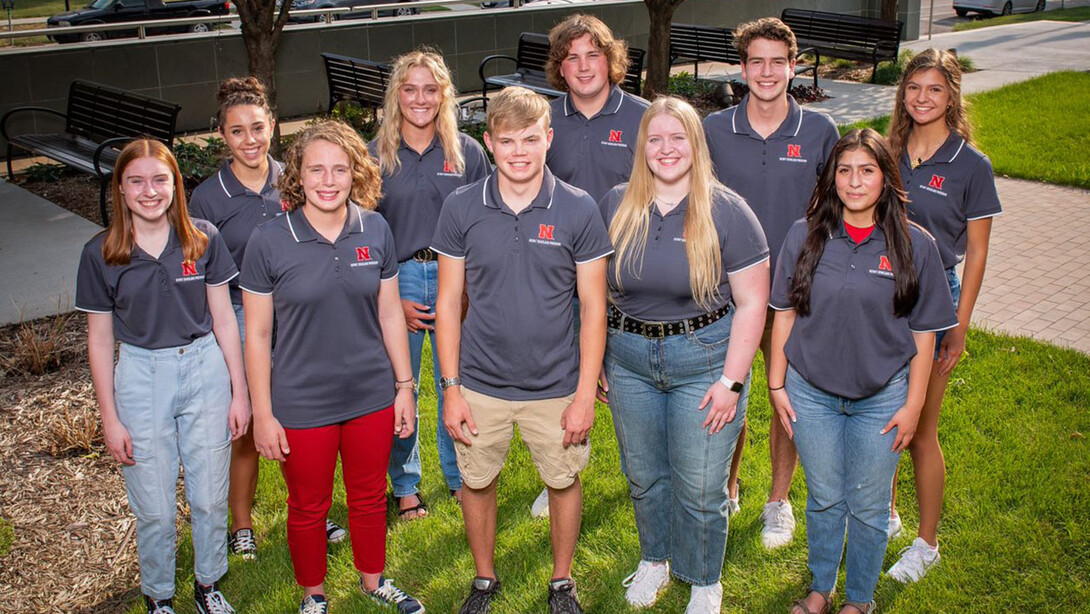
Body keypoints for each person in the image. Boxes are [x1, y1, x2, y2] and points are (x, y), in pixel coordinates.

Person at [432, 87, 612, 614]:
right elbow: (447, 303)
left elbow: (594, 307)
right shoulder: (461, 206)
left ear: (548, 140)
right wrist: (450, 388)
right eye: (506, 140)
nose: (518, 151)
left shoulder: (578, 209)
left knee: (562, 480)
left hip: (555, 384)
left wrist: (583, 394)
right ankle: (484, 579)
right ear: (487, 143)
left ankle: (562, 581)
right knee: (477, 480)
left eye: (530, 139)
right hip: (480, 382)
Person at [767, 129, 957, 614]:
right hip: (811, 392)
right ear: (831, 178)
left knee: (870, 505)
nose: (855, 182)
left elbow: (922, 335)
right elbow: (784, 312)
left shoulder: (916, 244)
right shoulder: (803, 234)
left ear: (886, 179)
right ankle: (820, 590)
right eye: (844, 170)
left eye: (867, 170)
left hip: (883, 396)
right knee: (825, 497)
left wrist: (913, 406)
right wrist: (777, 383)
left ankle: (859, 600)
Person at [240, 120, 424, 614]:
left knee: (367, 497)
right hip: (301, 400)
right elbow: (256, 335)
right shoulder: (268, 241)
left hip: (370, 392)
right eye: (316, 169)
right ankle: (313, 595)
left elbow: (390, 313)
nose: (327, 180)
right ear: (297, 173)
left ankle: (373, 582)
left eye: (339, 169)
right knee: (308, 505)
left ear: (356, 172)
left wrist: (404, 387)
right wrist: (263, 413)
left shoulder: (376, 228)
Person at [599, 97, 769, 614]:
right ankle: (655, 558)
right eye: (656, 138)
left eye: (678, 138)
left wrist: (732, 382)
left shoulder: (727, 210)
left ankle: (702, 577)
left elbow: (752, 301)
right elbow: (594, 292)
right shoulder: (614, 204)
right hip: (628, 360)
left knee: (699, 485)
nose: (667, 148)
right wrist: (598, 364)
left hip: (704, 362)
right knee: (644, 474)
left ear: (695, 145)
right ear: (641, 146)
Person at [77, 139, 249, 614]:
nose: (149, 191)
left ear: (176, 184)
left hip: (204, 367)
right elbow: (98, 341)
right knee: (153, 505)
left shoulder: (203, 237)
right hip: (141, 374)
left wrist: (239, 393)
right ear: (121, 189)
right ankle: (159, 595)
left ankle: (208, 584)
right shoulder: (102, 252)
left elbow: (223, 317)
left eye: (160, 179)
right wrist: (109, 418)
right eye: (136, 181)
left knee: (210, 494)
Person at [188, 77, 346, 559]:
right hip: (241, 315)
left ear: (273, 126)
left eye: (258, 128)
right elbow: (201, 272)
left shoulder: (296, 180)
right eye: (237, 132)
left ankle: (312, 512)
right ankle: (241, 523)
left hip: (297, 313)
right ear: (222, 135)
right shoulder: (208, 199)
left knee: (299, 418)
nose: (250, 140)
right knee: (249, 421)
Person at [702, 16, 840, 547]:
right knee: (727, 391)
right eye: (755, 61)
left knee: (788, 397)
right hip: (726, 291)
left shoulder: (820, 131)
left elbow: (833, 206)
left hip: (794, 291)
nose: (766, 71)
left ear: (793, 65)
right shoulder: (713, 130)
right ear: (741, 68)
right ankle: (727, 486)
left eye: (777, 61)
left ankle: (778, 501)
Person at [525, 12, 651, 519]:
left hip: (632, 270)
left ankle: (640, 473)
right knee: (565, 372)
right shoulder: (544, 121)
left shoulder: (642, 117)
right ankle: (561, 472)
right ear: (559, 67)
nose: (582, 66)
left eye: (593, 54)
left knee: (627, 378)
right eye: (571, 57)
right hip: (560, 270)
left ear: (611, 59)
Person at [884, 48, 1002, 583]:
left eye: (934, 89)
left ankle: (926, 544)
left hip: (934, 301)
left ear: (952, 95)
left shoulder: (971, 165)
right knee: (878, 417)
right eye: (914, 88)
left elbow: (976, 251)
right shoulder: (887, 150)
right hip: (876, 292)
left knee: (921, 428)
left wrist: (960, 320)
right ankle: (883, 516)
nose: (922, 98)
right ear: (902, 93)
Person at [370, 49, 492, 517]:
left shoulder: (467, 152)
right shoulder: (374, 154)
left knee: (453, 383)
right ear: (396, 95)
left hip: (453, 279)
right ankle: (405, 484)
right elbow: (360, 232)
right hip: (395, 280)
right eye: (409, 89)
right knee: (400, 387)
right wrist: (389, 299)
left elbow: (485, 223)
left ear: (444, 95)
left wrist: (466, 291)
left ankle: (460, 476)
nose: (420, 98)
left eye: (430, 89)